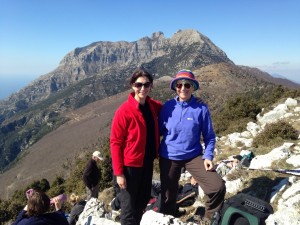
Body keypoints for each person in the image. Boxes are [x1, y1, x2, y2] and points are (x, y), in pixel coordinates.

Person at [158, 69, 226, 221]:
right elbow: (158, 131)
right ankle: (169, 218)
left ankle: (209, 219)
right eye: (179, 85)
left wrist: (208, 156)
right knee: (168, 195)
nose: (183, 88)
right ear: (175, 87)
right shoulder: (167, 107)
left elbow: (209, 136)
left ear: (192, 87)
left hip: (193, 156)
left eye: (187, 85)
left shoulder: (201, 108)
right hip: (169, 156)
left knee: (217, 187)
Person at [110, 68, 162, 225]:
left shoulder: (152, 106)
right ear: (132, 85)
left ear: (151, 86)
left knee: (142, 202)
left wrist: (191, 100)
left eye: (146, 85)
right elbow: (115, 143)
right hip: (129, 168)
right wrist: (119, 173)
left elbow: (171, 107)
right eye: (138, 84)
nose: (142, 88)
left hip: (146, 163)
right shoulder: (124, 111)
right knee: (129, 208)